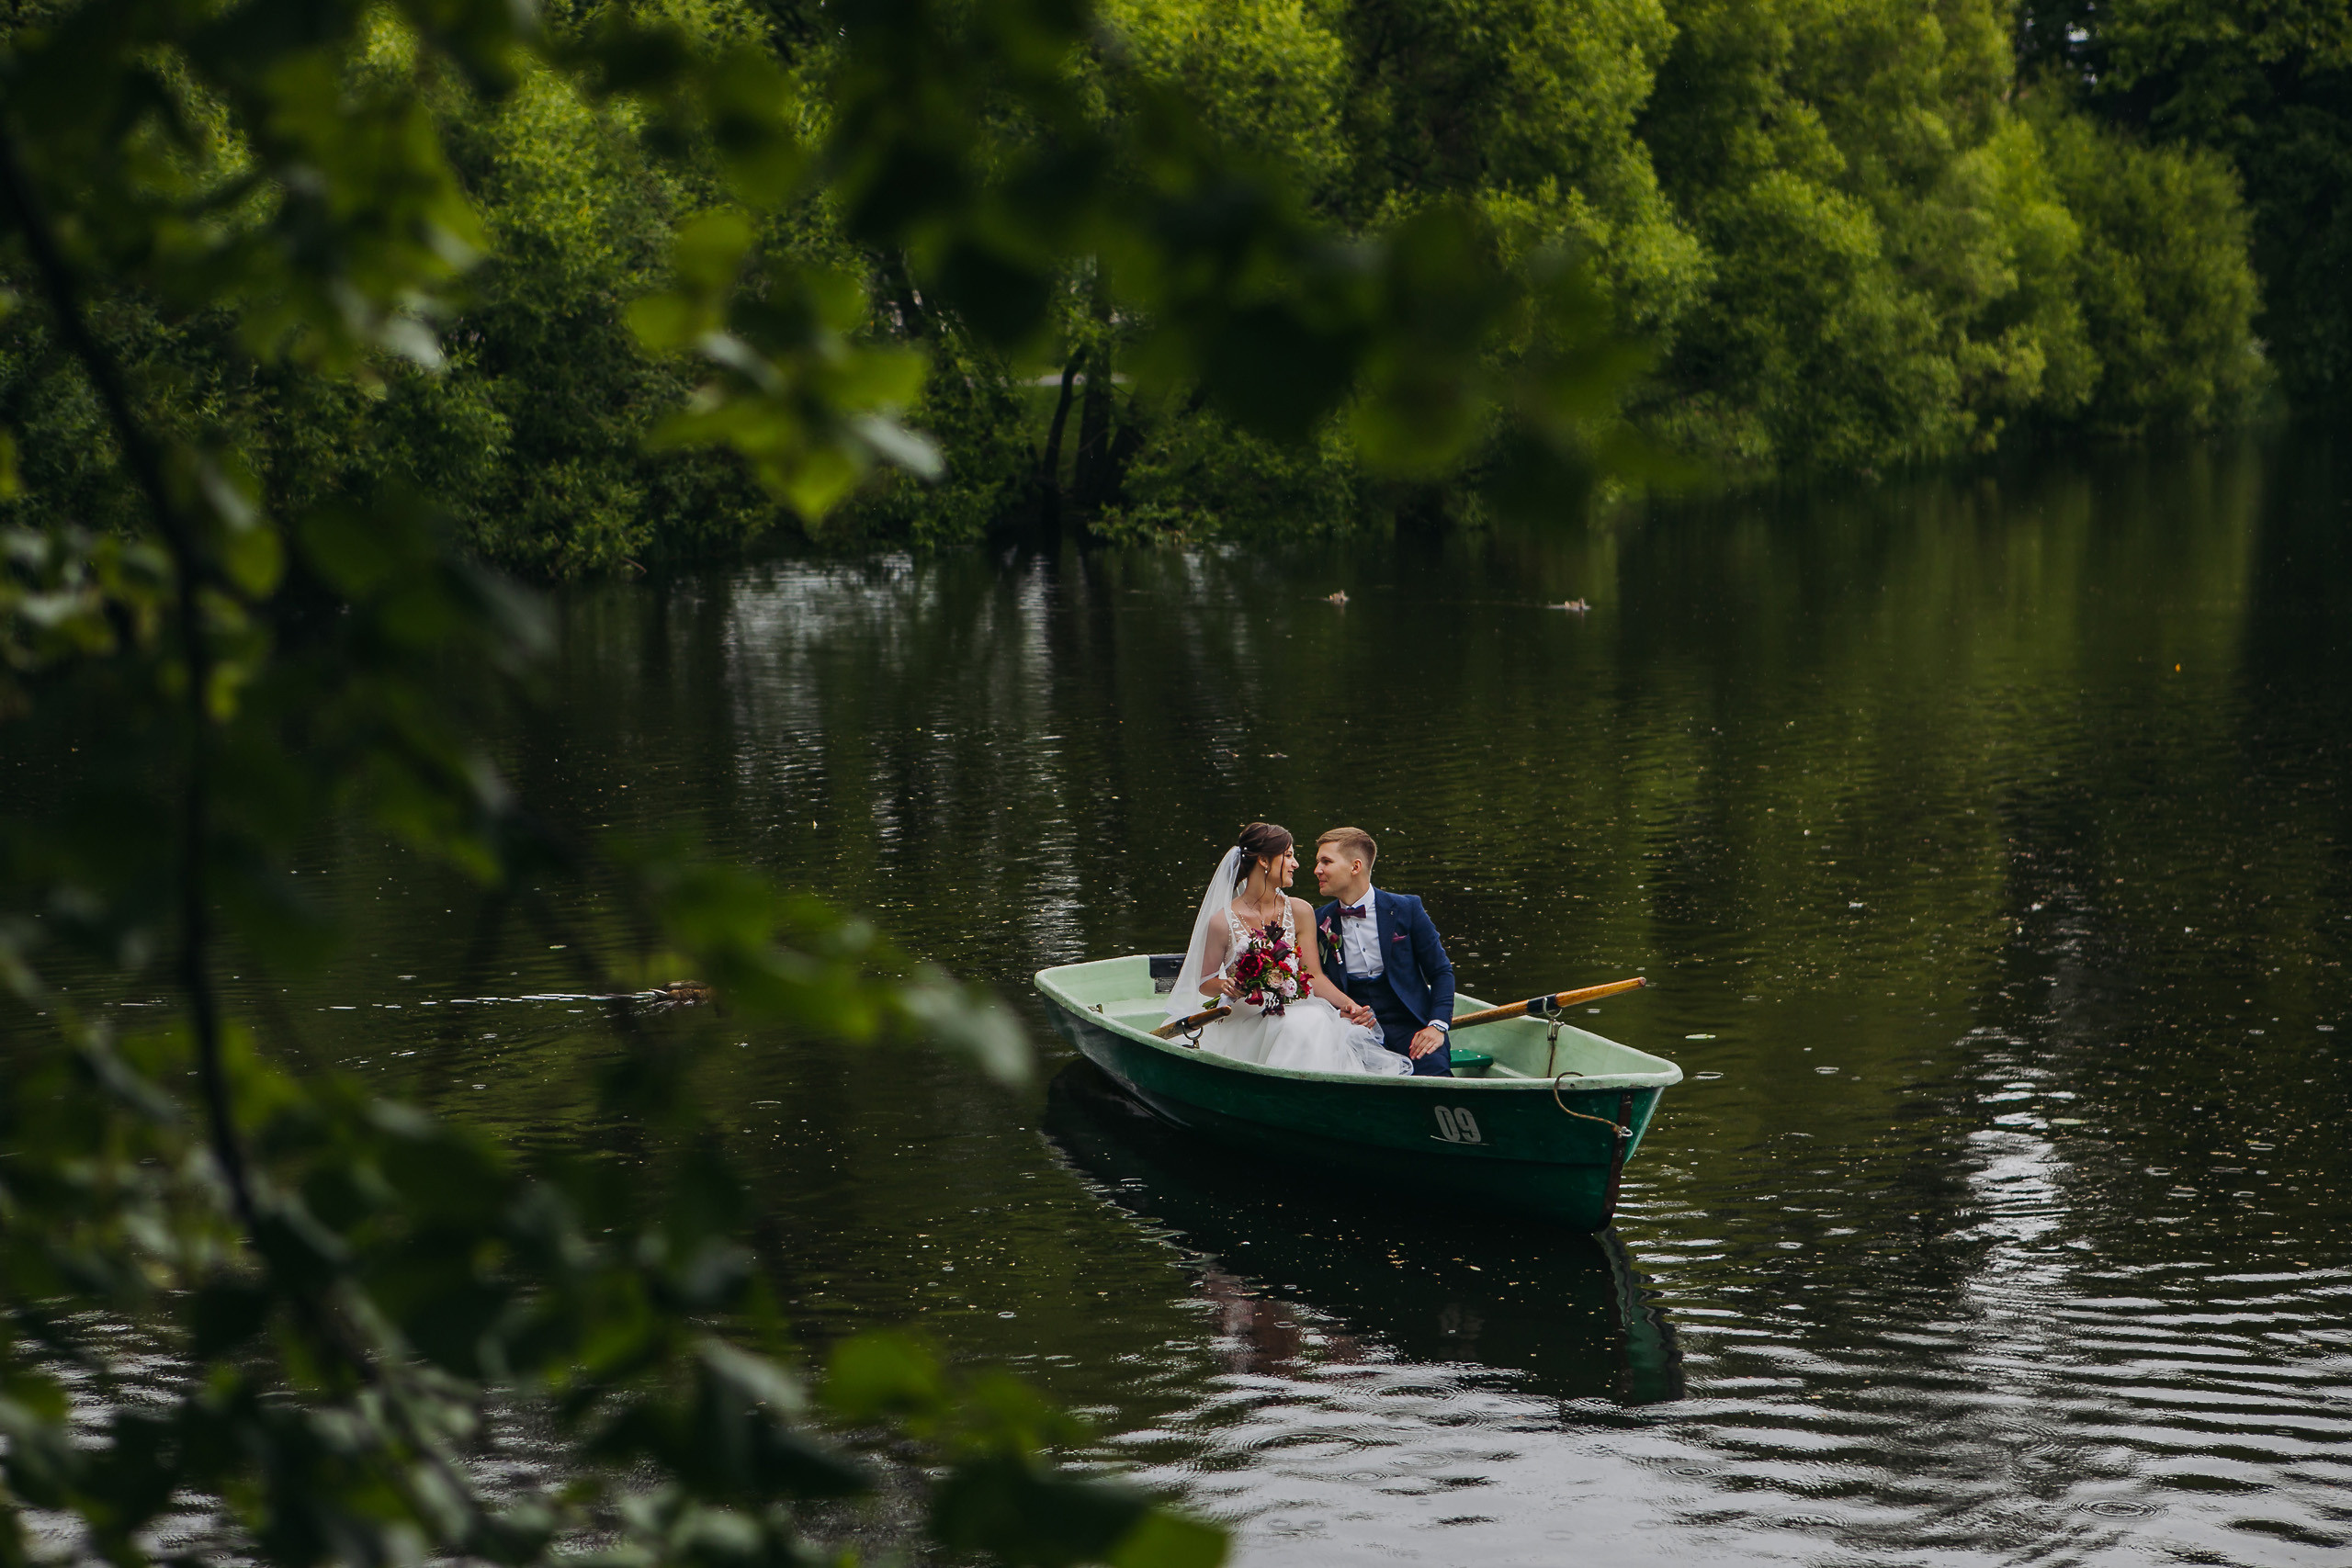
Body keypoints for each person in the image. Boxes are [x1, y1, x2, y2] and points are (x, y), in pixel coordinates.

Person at [1166, 823, 1410, 1076]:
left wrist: (1350, 1005)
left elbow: (1313, 975)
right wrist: (1227, 985)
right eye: (1289, 856)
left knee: (1308, 1022)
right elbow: (1205, 982)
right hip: (1247, 1015)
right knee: (1302, 1024)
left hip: (1295, 1006)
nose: (1296, 865)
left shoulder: (1300, 910)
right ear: (1263, 860)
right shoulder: (1222, 921)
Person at [1310, 827, 1458, 1077]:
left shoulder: (1407, 909)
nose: (1317, 870)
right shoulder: (1318, 920)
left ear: (1355, 867)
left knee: (1437, 1078)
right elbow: (1315, 980)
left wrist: (1437, 1027)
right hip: (1354, 1029)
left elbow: (1441, 972)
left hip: (1411, 1024)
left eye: (1326, 861)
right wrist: (1341, 1012)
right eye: (1318, 862)